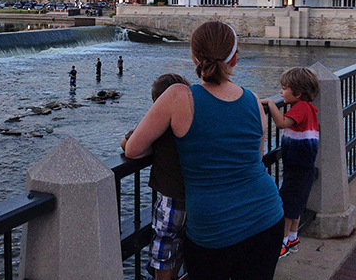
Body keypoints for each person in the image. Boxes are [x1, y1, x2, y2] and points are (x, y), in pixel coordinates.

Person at [125, 21, 284, 280]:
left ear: (193, 57)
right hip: (267, 216)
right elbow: (255, 158)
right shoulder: (253, 101)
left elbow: (133, 150)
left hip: (213, 229)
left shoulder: (179, 96)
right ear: (234, 60)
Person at [121, 73, 191, 280]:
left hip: (171, 198)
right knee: (185, 246)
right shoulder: (191, 122)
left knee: (164, 248)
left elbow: (128, 147)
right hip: (196, 197)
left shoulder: (158, 125)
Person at [261, 67, 320, 259]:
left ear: (298, 93)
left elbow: (282, 123)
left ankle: (282, 243)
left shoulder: (301, 108)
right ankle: (293, 238)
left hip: (296, 167)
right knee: (297, 204)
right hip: (304, 167)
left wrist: (270, 104)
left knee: (287, 206)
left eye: (284, 88)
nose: (281, 92)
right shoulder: (310, 108)